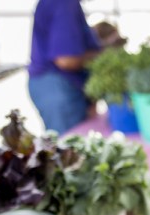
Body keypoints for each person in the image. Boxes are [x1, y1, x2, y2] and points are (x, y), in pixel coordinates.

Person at [28, 0, 101, 135]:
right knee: (71, 147)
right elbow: (66, 60)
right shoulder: (64, 3)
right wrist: (99, 56)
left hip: (57, 86)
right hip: (58, 87)